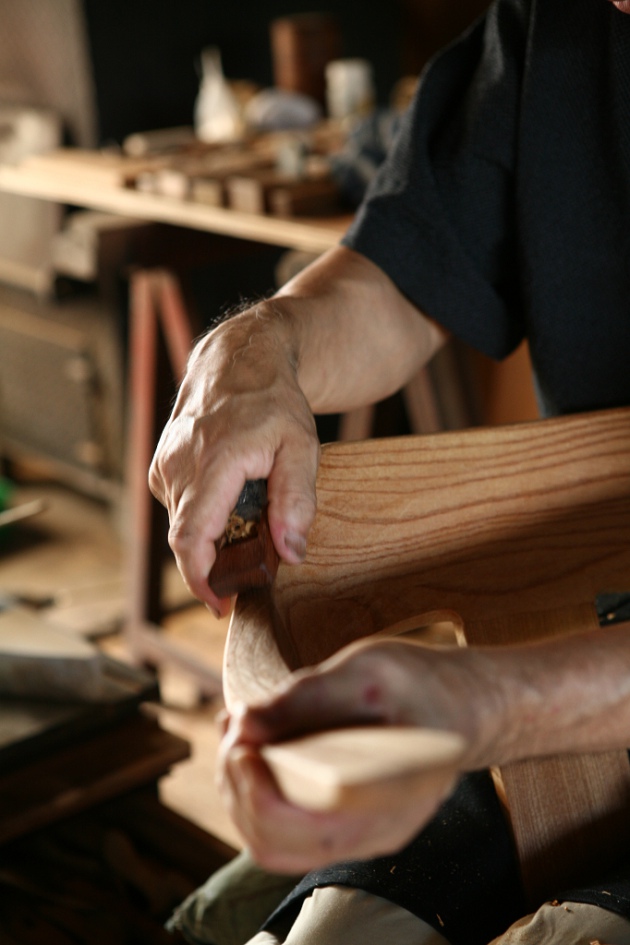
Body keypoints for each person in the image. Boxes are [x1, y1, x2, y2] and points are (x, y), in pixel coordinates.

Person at [150, 0, 630, 942]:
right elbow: (408, 273)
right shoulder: (558, 26)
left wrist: (485, 703)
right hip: (578, 642)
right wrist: (261, 346)